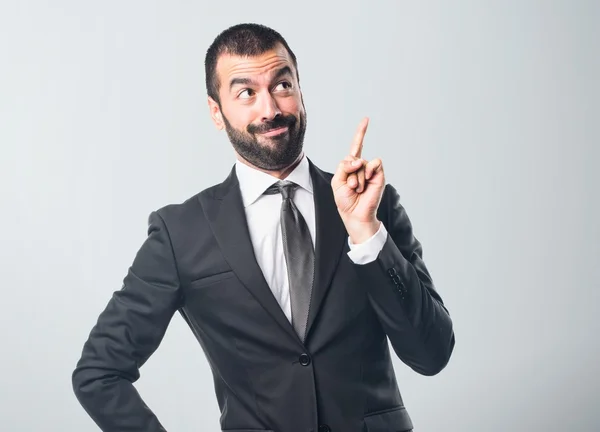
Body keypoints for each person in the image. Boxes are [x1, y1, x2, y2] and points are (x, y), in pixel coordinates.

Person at [72, 23, 455, 432]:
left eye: (282, 85)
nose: (269, 109)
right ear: (216, 112)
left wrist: (366, 233)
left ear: (301, 92)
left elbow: (431, 354)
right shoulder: (180, 233)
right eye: (246, 93)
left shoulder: (372, 206)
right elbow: (99, 372)